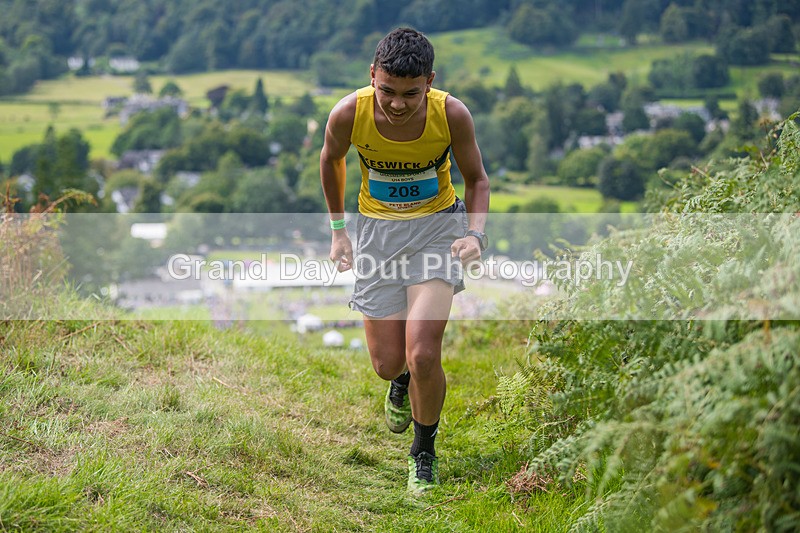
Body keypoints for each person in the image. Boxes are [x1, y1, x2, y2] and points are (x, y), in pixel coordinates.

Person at [320, 27, 490, 494]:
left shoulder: (451, 114)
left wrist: (475, 233)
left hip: (438, 232)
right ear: (372, 75)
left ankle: (423, 454)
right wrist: (339, 232)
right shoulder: (347, 114)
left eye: (411, 94)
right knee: (388, 362)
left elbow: (477, 179)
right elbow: (331, 160)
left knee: (422, 351)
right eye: (387, 91)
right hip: (378, 236)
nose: (397, 104)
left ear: (430, 82)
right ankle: (400, 383)